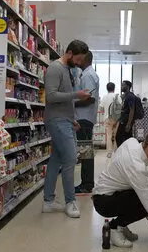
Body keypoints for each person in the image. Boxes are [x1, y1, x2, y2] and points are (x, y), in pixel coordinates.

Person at [43, 39, 91, 218]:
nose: (78, 64)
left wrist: (72, 119)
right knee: (70, 159)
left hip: (65, 120)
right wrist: (76, 94)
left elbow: (65, 100)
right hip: (56, 121)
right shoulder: (55, 68)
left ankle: (48, 201)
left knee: (56, 160)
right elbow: (51, 96)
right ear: (69, 53)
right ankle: (71, 201)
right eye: (77, 60)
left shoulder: (67, 70)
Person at [74, 51, 99, 194]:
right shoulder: (87, 74)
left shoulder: (88, 75)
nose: (77, 60)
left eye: (80, 58)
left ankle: (87, 184)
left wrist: (71, 103)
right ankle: (87, 182)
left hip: (84, 118)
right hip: (85, 118)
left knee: (85, 152)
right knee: (86, 151)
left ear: (86, 59)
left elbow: (90, 98)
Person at [100, 82, 121, 158]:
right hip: (116, 119)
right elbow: (121, 107)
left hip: (107, 118)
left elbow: (101, 108)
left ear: (107, 88)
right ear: (114, 88)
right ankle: (116, 151)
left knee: (109, 136)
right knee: (116, 135)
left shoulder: (105, 97)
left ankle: (109, 153)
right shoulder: (118, 97)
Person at [116, 80, 136, 147]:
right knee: (127, 137)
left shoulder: (130, 96)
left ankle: (123, 152)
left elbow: (132, 110)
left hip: (126, 121)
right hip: (124, 120)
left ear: (127, 86)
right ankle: (126, 152)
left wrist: (128, 124)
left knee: (119, 137)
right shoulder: (126, 96)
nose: (121, 87)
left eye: (123, 85)